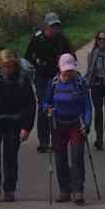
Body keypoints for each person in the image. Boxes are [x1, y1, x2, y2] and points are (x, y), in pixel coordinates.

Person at [0, 49, 37, 203]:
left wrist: (27, 128)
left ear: (16, 65)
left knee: (10, 158)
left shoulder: (22, 78)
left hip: (14, 122)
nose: (7, 70)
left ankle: (9, 190)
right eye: (4, 66)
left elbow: (30, 104)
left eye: (10, 66)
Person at [43, 53, 93, 205]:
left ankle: (78, 191)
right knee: (60, 159)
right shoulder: (53, 83)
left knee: (77, 157)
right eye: (65, 70)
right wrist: (48, 109)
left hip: (76, 124)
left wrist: (87, 123)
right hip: (58, 125)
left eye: (70, 70)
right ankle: (64, 190)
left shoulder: (80, 83)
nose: (68, 73)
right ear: (59, 68)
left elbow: (87, 106)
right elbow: (45, 103)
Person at [24, 11, 73, 152]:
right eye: (52, 26)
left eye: (57, 25)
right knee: (43, 108)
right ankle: (43, 141)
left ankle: (56, 139)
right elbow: (27, 57)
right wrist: (34, 66)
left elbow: (71, 56)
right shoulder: (37, 38)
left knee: (56, 106)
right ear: (46, 25)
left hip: (57, 76)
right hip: (41, 76)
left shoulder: (62, 39)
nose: (55, 28)